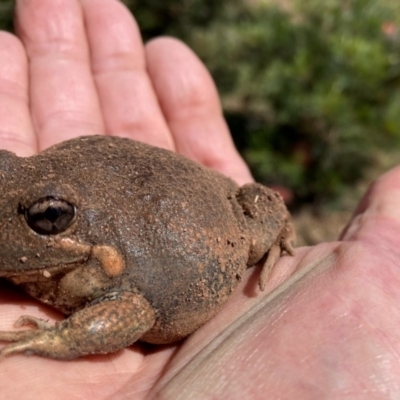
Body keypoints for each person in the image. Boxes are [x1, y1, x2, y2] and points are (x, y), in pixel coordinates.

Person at [1, 0, 400, 398]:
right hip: (132, 180)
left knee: (258, 235)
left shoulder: (98, 271)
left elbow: (133, 313)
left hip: (213, 212)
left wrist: (59, 340)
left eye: (49, 216)